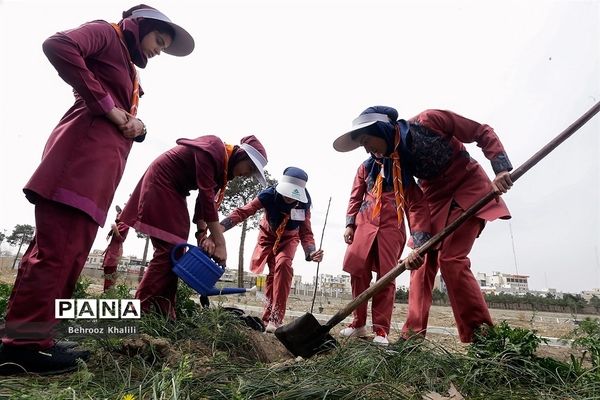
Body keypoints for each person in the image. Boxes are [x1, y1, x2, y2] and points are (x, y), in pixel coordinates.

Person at [0, 5, 194, 375]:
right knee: (56, 255)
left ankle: (36, 337)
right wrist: (107, 106)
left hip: (96, 178)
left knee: (70, 256)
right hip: (77, 166)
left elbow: (119, 112)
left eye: (165, 46)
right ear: (140, 27)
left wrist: (136, 124)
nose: (159, 50)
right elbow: (58, 45)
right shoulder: (107, 33)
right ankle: (21, 347)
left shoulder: (127, 65)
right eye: (159, 40)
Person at [333, 106, 513, 343]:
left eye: (366, 140)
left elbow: (480, 131)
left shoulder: (429, 120)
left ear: (382, 129)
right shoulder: (392, 163)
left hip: (467, 184)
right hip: (433, 197)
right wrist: (418, 246)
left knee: (451, 259)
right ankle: (412, 339)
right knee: (420, 264)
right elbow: (416, 204)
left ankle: (483, 337)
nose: (367, 149)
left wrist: (500, 169)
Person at [120, 135, 268, 319]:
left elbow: (203, 204)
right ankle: (140, 310)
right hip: (162, 184)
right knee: (168, 251)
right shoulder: (214, 149)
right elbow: (206, 198)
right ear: (241, 155)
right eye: (251, 168)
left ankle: (163, 311)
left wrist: (202, 236)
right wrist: (220, 244)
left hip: (174, 191)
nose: (248, 174)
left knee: (175, 251)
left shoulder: (221, 168)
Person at [218, 167, 324, 333]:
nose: (289, 198)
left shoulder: (304, 204)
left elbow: (306, 231)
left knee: (283, 265)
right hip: (268, 235)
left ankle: (276, 319)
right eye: (287, 193)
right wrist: (219, 229)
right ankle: (267, 318)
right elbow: (244, 211)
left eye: (294, 194)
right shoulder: (268, 195)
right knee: (272, 277)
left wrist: (311, 252)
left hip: (289, 238)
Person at [339, 155, 431, 345]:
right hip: (364, 225)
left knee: (386, 277)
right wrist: (349, 224)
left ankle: (381, 330)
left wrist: (418, 241)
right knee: (358, 273)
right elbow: (355, 197)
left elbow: (416, 206)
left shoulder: (403, 170)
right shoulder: (365, 167)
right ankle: (358, 323)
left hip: (391, 228)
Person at [101, 206, 129, 292]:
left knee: (111, 271)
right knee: (107, 271)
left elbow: (121, 240)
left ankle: (108, 292)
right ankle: (107, 291)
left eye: (119, 213)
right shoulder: (118, 224)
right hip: (111, 251)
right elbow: (113, 241)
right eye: (117, 213)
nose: (117, 214)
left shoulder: (125, 225)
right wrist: (106, 248)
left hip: (115, 252)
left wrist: (115, 230)